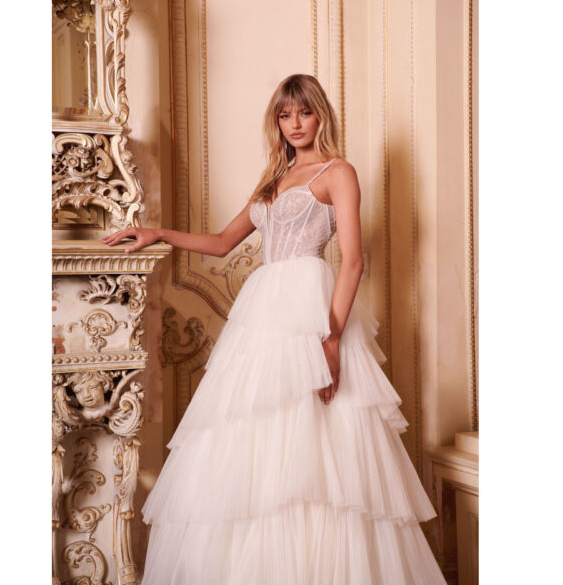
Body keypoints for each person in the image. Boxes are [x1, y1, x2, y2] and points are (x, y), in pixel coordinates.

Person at [102, 74, 447, 584]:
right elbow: (223, 242)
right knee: (256, 430)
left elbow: (353, 261)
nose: (295, 124)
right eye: (285, 115)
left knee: (322, 436)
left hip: (311, 307)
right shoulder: (274, 178)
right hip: (263, 313)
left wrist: (331, 338)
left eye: (304, 112)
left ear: (320, 115)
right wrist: (156, 233)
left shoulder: (338, 172)